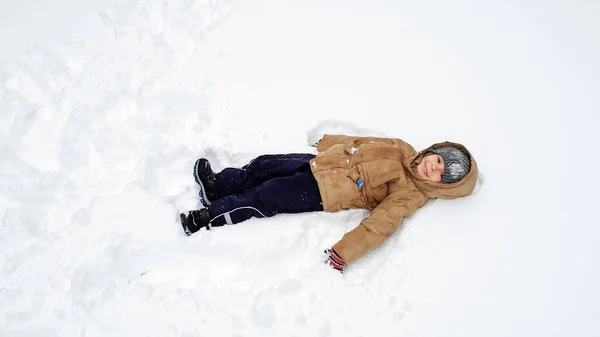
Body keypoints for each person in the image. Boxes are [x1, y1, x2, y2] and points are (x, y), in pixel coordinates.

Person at [180, 134, 478, 272]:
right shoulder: (404, 148)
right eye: (438, 160)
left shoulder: (410, 194)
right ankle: (217, 187)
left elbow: (379, 226)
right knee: (264, 165)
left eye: (441, 175)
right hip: (322, 162)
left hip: (324, 192)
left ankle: (206, 217)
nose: (433, 168)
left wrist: (344, 253)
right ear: (434, 151)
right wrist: (329, 143)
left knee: (264, 196)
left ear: (443, 187)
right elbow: (363, 141)